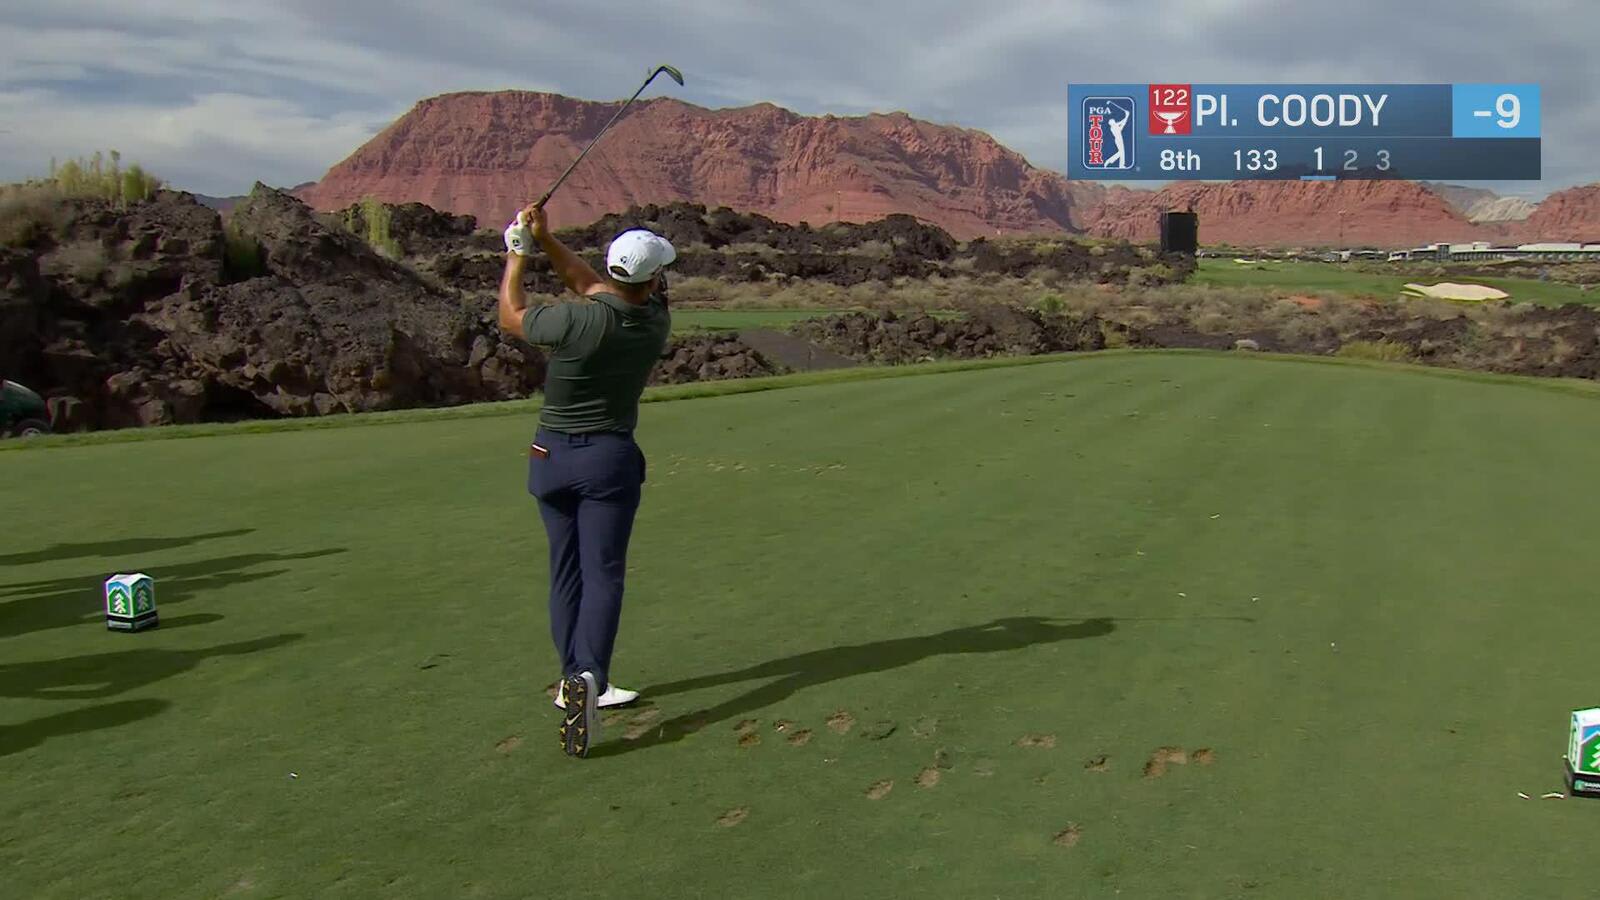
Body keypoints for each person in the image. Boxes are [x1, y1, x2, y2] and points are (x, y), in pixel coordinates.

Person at [498, 202, 675, 758]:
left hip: (548, 457)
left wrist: (517, 256)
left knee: (565, 570)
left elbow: (511, 315)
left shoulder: (575, 320)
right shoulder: (652, 319)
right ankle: (590, 678)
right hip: (606, 461)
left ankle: (572, 675)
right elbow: (592, 285)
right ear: (654, 280)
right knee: (604, 575)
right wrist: (544, 242)